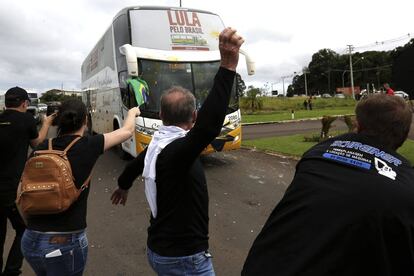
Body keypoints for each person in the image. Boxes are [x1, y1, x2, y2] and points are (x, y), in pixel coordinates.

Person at [111, 27, 243, 276]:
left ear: (161, 116)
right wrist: (227, 67)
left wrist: (123, 185)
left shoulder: (157, 146)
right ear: (193, 116)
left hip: (160, 252)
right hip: (184, 259)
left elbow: (134, 167)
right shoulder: (178, 152)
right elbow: (208, 128)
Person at [242, 94, 414, 276]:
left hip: (262, 265)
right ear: (404, 135)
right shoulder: (406, 185)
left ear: (358, 124)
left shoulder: (316, 154)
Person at [20, 99, 140, 276]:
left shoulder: (41, 149)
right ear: (85, 120)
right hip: (64, 242)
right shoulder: (88, 145)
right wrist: (132, 113)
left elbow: (21, 194)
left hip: (30, 240)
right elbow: (127, 131)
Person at [0, 87, 54, 276]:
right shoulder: (26, 120)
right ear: (24, 103)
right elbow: (37, 143)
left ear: (6, 103)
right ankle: (12, 270)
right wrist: (46, 123)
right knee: (24, 229)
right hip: (12, 190)